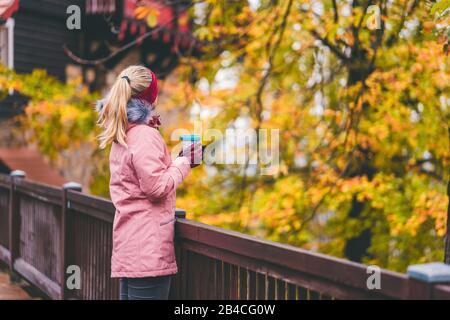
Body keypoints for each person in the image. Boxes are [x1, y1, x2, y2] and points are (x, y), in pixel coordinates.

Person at [96, 65, 202, 300]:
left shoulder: (124, 134)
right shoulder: (143, 135)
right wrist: (184, 161)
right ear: (150, 97)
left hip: (131, 246)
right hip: (148, 251)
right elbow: (155, 188)